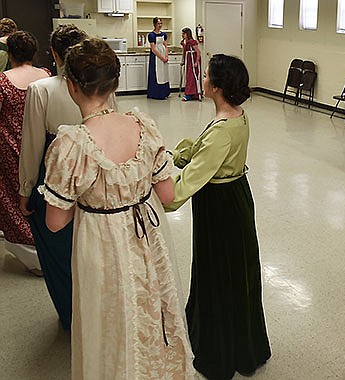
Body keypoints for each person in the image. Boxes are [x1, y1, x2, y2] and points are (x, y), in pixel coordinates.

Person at [40, 38, 194, 379]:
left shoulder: (71, 144)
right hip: (147, 237)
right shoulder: (144, 127)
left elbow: (54, 221)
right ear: (116, 83)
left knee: (109, 318)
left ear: (71, 86)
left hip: (101, 242)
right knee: (150, 309)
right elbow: (167, 195)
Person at [164, 54, 271, 379]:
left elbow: (187, 184)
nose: (203, 78)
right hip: (237, 194)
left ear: (216, 87)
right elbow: (202, 150)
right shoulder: (237, 116)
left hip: (220, 204)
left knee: (220, 270)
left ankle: (220, 349)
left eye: (207, 75)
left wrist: (159, 190)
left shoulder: (222, 129)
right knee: (238, 269)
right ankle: (245, 341)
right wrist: (176, 153)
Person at [18, 25, 103, 331]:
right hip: (94, 169)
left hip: (54, 174)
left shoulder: (42, 89)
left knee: (56, 245)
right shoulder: (99, 86)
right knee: (92, 242)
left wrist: (25, 188)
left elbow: (31, 144)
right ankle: (96, 309)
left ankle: (71, 314)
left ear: (54, 53)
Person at [0, 31, 49, 276]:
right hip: (41, 145)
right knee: (41, 194)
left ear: (10, 54)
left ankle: (30, 253)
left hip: (11, 147)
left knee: (13, 197)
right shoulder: (46, 76)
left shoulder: (3, 81)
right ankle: (47, 245)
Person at [147, 17, 170, 100]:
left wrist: (166, 56)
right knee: (157, 73)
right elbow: (153, 49)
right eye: (158, 24)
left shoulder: (164, 34)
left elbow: (166, 46)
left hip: (163, 56)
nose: (160, 25)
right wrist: (161, 58)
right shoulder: (151, 35)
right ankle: (156, 93)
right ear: (154, 24)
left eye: (161, 23)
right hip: (156, 57)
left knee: (164, 74)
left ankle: (165, 92)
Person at [180, 27, 201, 101]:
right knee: (188, 77)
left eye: (184, 34)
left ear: (187, 34)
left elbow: (198, 52)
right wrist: (182, 60)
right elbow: (184, 51)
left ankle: (190, 94)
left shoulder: (192, 42)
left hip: (193, 60)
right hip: (188, 60)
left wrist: (196, 62)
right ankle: (192, 94)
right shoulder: (184, 42)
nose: (182, 35)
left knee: (192, 77)